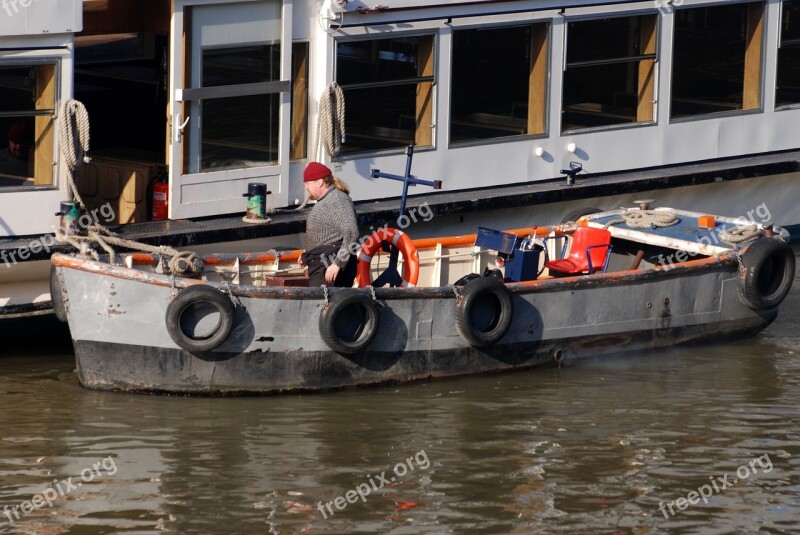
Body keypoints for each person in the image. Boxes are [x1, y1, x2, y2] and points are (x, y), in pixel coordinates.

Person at [300, 162, 360, 287]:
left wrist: (338, 264)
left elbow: (352, 232)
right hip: (320, 264)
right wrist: (307, 255)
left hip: (330, 266)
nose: (306, 187)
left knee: (325, 305)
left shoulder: (338, 200)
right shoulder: (326, 200)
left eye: (308, 183)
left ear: (320, 182)